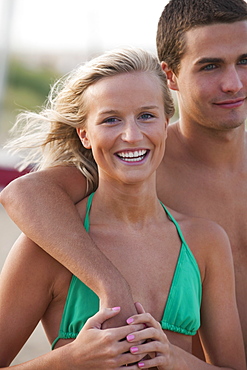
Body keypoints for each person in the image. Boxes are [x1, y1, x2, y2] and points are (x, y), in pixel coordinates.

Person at [1, 0, 247, 360]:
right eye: (210, 65)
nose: (233, 82)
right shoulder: (138, 165)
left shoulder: (204, 237)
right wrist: (111, 283)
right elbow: (25, 192)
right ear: (171, 75)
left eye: (245, 60)